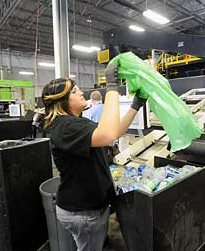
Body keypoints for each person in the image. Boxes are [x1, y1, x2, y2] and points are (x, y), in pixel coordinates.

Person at [41, 62, 146, 251]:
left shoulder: (75, 122)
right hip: (83, 211)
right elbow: (108, 135)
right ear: (61, 100)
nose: (81, 92)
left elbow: (113, 132)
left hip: (87, 208)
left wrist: (135, 106)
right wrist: (112, 86)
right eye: (74, 91)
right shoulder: (66, 127)